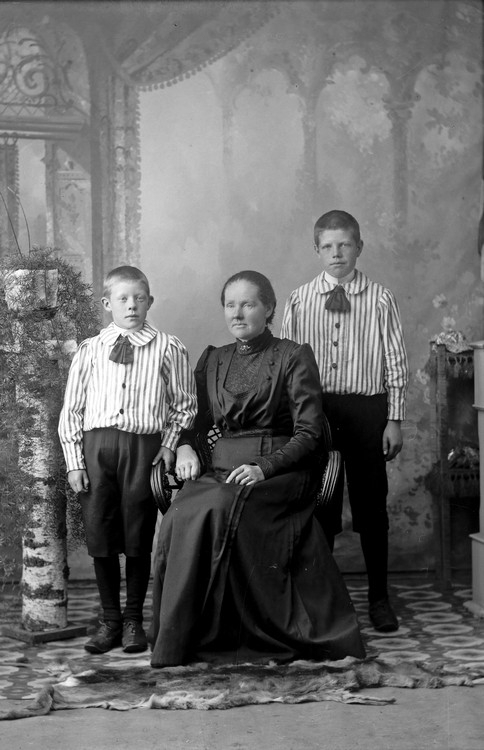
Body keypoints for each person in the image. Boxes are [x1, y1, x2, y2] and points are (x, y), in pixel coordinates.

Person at [149, 270, 365, 668]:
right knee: (181, 514)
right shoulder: (214, 359)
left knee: (219, 506)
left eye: (248, 304)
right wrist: (184, 445)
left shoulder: (293, 356)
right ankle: (187, 635)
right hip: (221, 470)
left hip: (280, 471)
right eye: (230, 305)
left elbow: (309, 433)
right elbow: (194, 420)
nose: (237, 313)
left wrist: (264, 468)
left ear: (269, 309)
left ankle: (241, 634)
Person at [58, 265, 197, 654]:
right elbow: (72, 410)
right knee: (100, 533)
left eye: (139, 298)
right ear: (107, 304)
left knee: (138, 533)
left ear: (150, 301)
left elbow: (185, 404)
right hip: (96, 451)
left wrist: (169, 443)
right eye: (122, 298)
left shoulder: (167, 347)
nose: (131, 305)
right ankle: (110, 620)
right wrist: (74, 462)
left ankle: (134, 619)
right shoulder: (90, 350)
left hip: (143, 450)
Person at [281, 210, 408, 633]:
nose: (337, 253)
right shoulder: (300, 300)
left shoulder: (380, 298)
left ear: (359, 247)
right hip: (318, 413)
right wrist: (296, 421)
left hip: (368, 411)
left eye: (345, 245)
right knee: (322, 504)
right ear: (317, 250)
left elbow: (395, 362)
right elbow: (289, 367)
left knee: (371, 505)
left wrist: (394, 419)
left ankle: (379, 599)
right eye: (328, 246)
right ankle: (323, 600)